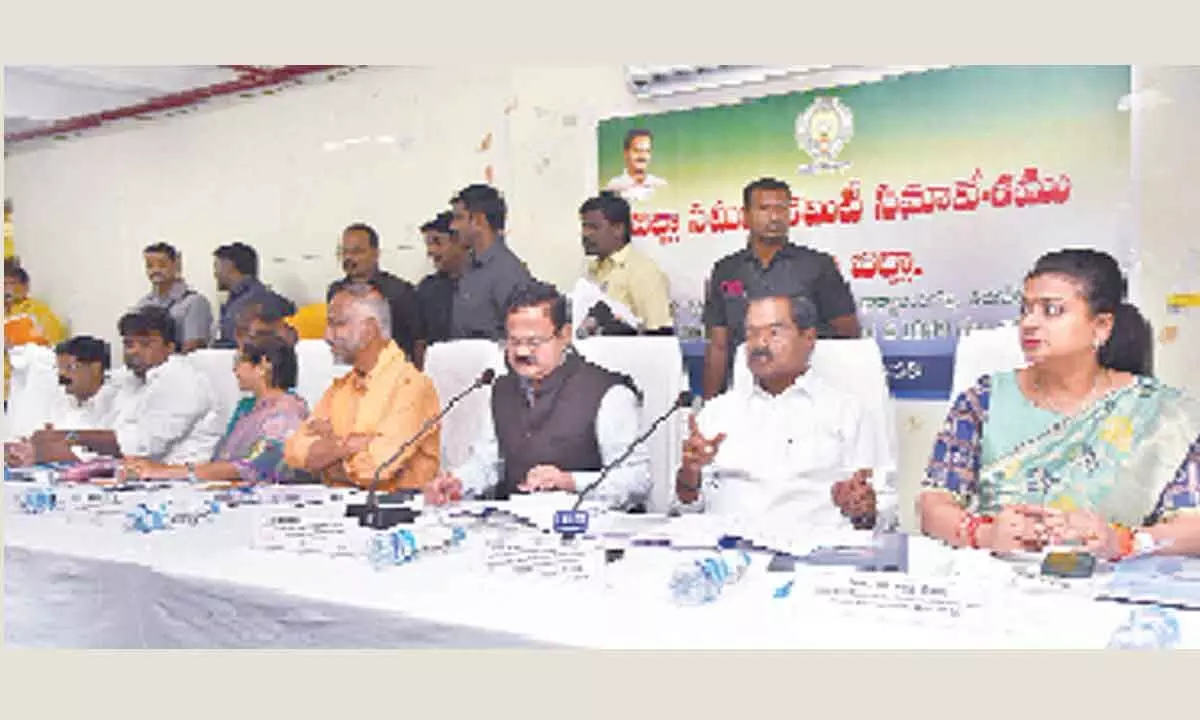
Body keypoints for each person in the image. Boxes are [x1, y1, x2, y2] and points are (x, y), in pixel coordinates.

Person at [919, 249, 1200, 558]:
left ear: (1101, 326)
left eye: (1051, 310)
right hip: (1000, 584)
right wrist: (983, 533)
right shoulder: (983, 400)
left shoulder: (1160, 414)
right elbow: (934, 504)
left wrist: (1125, 541)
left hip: (1115, 589)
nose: (1029, 323)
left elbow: (1192, 526)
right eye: (1025, 310)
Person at [424, 282, 650, 510]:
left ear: (565, 335)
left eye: (534, 342)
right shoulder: (502, 388)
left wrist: (570, 481)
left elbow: (637, 478)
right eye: (514, 342)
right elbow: (488, 465)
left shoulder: (607, 392)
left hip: (590, 529)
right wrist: (458, 483)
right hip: (516, 532)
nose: (522, 352)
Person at [675, 293, 879, 525]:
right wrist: (690, 475)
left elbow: (882, 507)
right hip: (727, 551)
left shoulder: (846, 413)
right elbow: (685, 511)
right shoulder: (717, 413)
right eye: (751, 333)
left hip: (814, 552)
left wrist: (863, 507)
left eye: (774, 332)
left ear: (808, 337)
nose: (760, 344)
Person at [702, 177, 860, 398]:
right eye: (764, 208)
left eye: (781, 209)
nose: (774, 217)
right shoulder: (726, 270)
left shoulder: (817, 265)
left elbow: (848, 334)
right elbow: (719, 345)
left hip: (805, 394)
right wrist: (710, 407)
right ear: (746, 215)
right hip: (745, 394)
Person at [284, 283, 441, 492]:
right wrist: (347, 447)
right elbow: (294, 452)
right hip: (338, 504)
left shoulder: (411, 386)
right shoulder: (342, 386)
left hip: (396, 511)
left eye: (337, 324)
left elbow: (376, 470)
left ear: (369, 330)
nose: (327, 336)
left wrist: (328, 461)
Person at [29, 307, 224, 465]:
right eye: (129, 344)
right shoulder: (133, 379)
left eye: (146, 344)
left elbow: (140, 446)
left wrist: (68, 438)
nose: (134, 351)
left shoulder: (181, 380)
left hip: (179, 483)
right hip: (133, 475)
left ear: (170, 348)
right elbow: (104, 428)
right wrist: (49, 443)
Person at [124, 335, 308, 484]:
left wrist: (169, 472)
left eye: (240, 361)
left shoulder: (286, 411)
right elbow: (223, 461)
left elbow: (253, 466)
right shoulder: (248, 407)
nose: (234, 370)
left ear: (263, 365)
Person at [4, 336, 118, 467]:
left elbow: (102, 448)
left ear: (95, 369)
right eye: (60, 368)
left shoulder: (114, 402)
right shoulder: (61, 399)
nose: (62, 374)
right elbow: (42, 438)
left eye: (70, 367)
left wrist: (58, 441)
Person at [327, 223, 427, 368]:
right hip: (347, 372)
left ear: (375, 254)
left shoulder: (398, 291)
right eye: (344, 252)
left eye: (357, 252)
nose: (348, 258)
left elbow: (418, 341)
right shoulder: (336, 291)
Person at [579, 191, 674, 335]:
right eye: (584, 227)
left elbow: (660, 333)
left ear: (618, 229)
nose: (586, 234)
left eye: (593, 227)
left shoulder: (643, 271)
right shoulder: (594, 269)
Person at [448, 184, 534, 341]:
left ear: (479, 220)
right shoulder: (469, 267)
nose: (452, 226)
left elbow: (521, 337)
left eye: (459, 218)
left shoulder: (507, 272)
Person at [133, 242, 213, 353]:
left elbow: (194, 348)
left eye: (162, 265)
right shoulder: (143, 304)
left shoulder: (194, 302)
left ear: (176, 265)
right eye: (149, 265)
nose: (155, 270)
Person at [213, 242, 296, 348]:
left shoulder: (258, 301)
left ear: (229, 266)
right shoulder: (238, 300)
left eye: (217, 267)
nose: (215, 274)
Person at [5, 260, 68, 398]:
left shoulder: (38, 311)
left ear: (25, 286)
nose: (6, 288)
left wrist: (17, 345)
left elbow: (53, 344)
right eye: (4, 284)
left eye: (12, 283)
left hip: (27, 383)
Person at [416, 211, 469, 345]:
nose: (431, 251)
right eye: (428, 244)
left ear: (460, 243)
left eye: (437, 242)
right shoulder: (427, 289)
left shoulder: (487, 284)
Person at [605, 128, 668, 204]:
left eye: (647, 151)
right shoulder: (614, 186)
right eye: (637, 151)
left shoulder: (660, 185)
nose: (642, 156)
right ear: (626, 153)